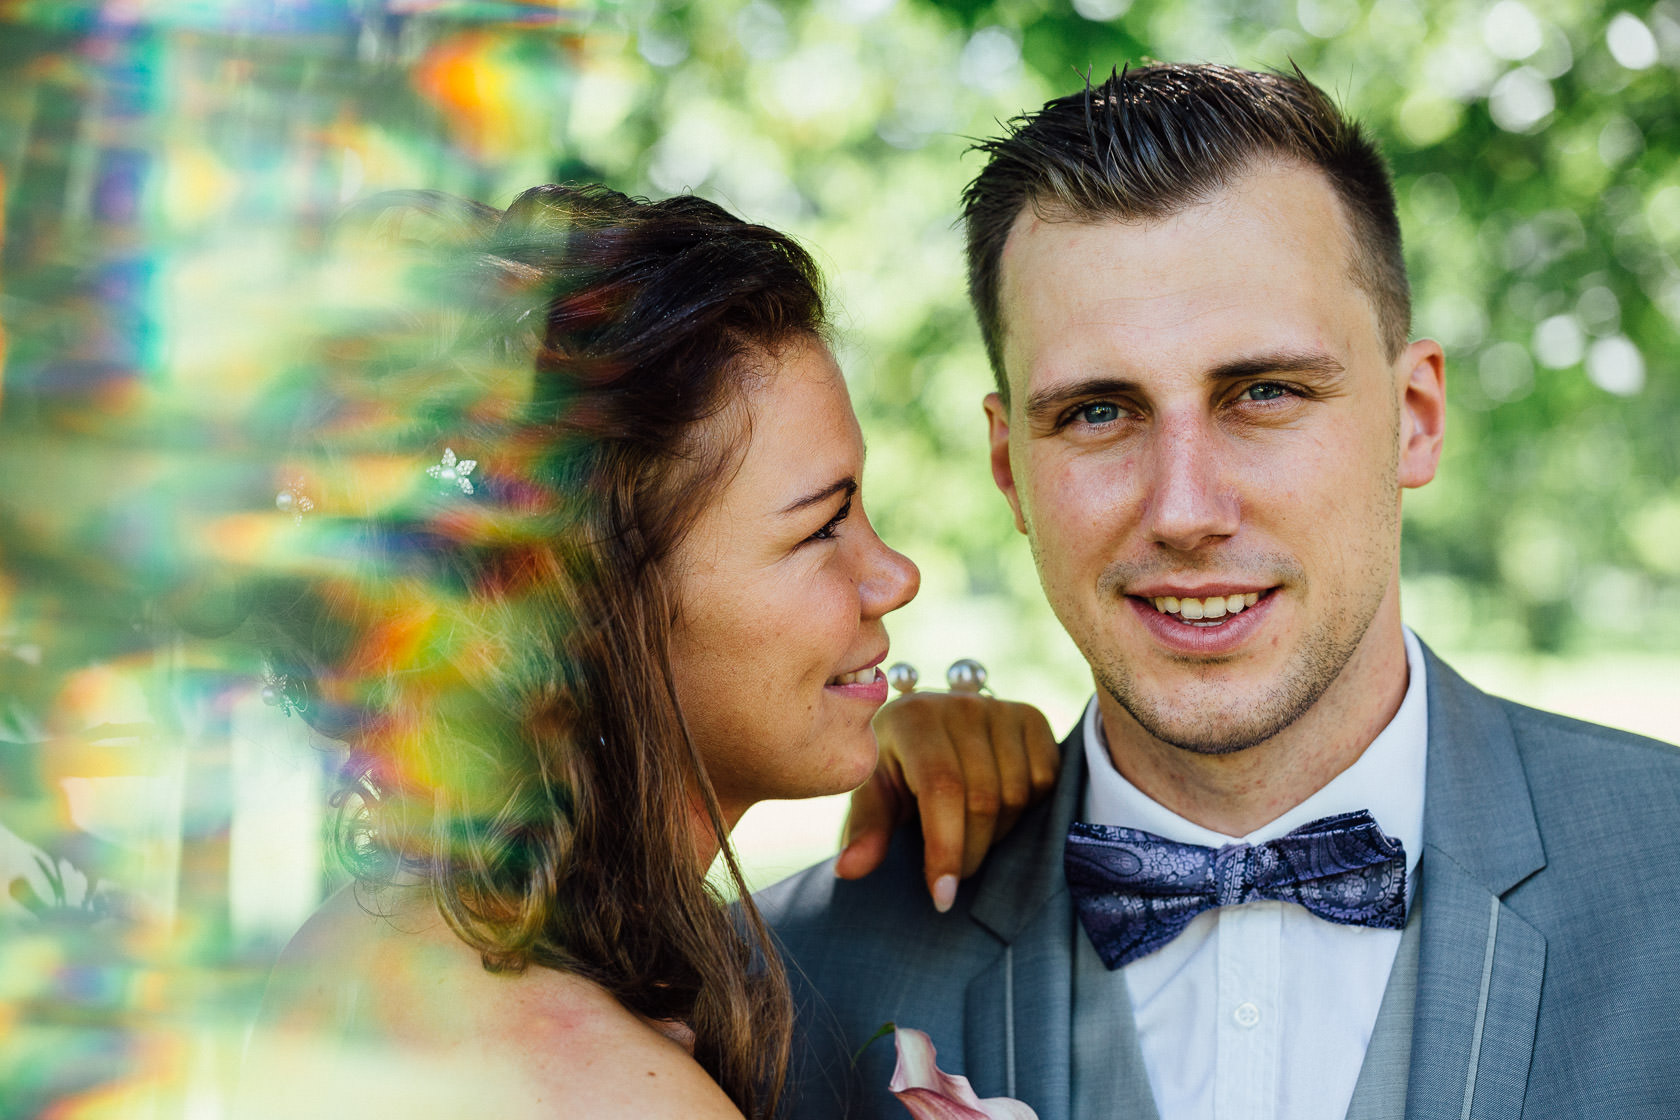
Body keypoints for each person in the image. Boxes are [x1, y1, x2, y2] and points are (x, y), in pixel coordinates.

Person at [761, 62, 1680, 1120]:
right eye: (1100, 413)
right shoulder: (796, 987)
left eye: (1266, 392)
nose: (1186, 508)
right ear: (1011, 467)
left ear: (1415, 415)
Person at [233, 183, 1056, 1120]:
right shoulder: (612, 1085)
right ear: (594, 612)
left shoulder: (358, 944)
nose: (895, 575)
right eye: (823, 527)